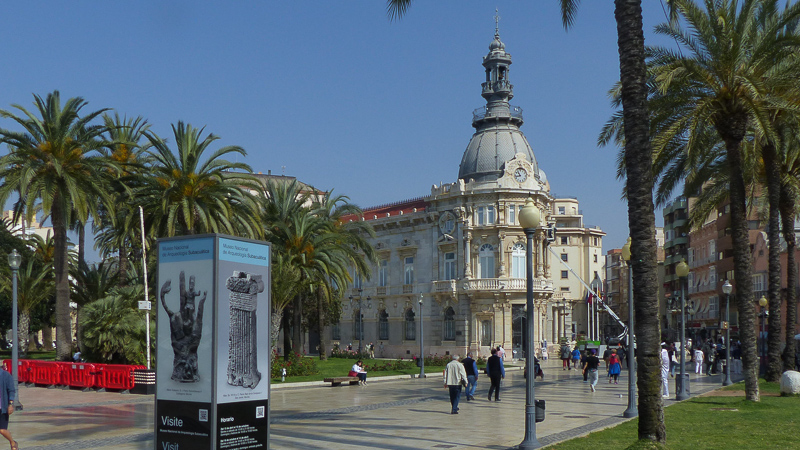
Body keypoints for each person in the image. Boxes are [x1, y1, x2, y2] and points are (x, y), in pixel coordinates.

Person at [0, 366, 16, 450]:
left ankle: (12, 442)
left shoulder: (5, 375)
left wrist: (10, 404)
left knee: (2, 430)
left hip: (2, 408)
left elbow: (11, 390)